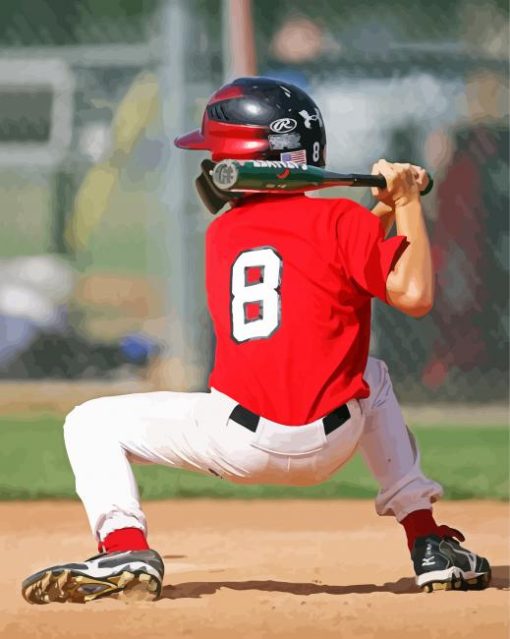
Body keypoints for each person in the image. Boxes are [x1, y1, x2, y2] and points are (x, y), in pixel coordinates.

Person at [21, 77, 490, 604]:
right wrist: (406, 203)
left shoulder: (223, 234)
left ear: (247, 161)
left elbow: (326, 254)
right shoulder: (340, 221)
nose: (211, 167)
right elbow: (412, 291)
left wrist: (384, 208)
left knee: (90, 421)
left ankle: (125, 545)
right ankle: (427, 541)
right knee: (373, 376)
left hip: (239, 441)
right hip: (334, 441)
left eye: (218, 153)